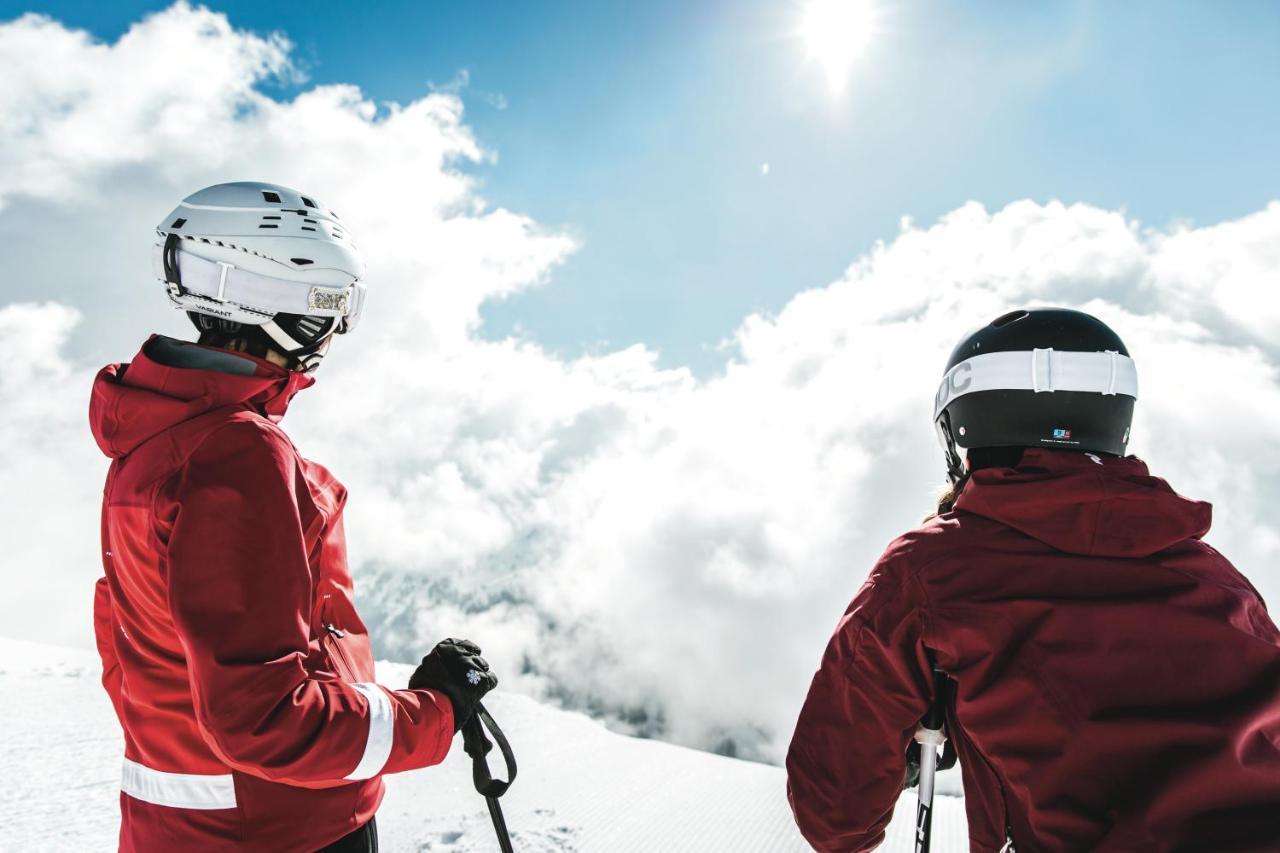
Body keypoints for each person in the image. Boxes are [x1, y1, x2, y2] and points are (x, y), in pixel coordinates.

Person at [90, 182, 498, 852]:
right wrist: (439, 711)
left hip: (185, 826)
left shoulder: (153, 442)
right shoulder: (236, 451)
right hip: (284, 829)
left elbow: (140, 654)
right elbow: (266, 717)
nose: (336, 329)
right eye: (330, 304)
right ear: (276, 299)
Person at [785, 308, 1280, 852]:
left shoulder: (930, 569)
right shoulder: (1215, 573)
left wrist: (900, 750)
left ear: (964, 427)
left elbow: (835, 813)